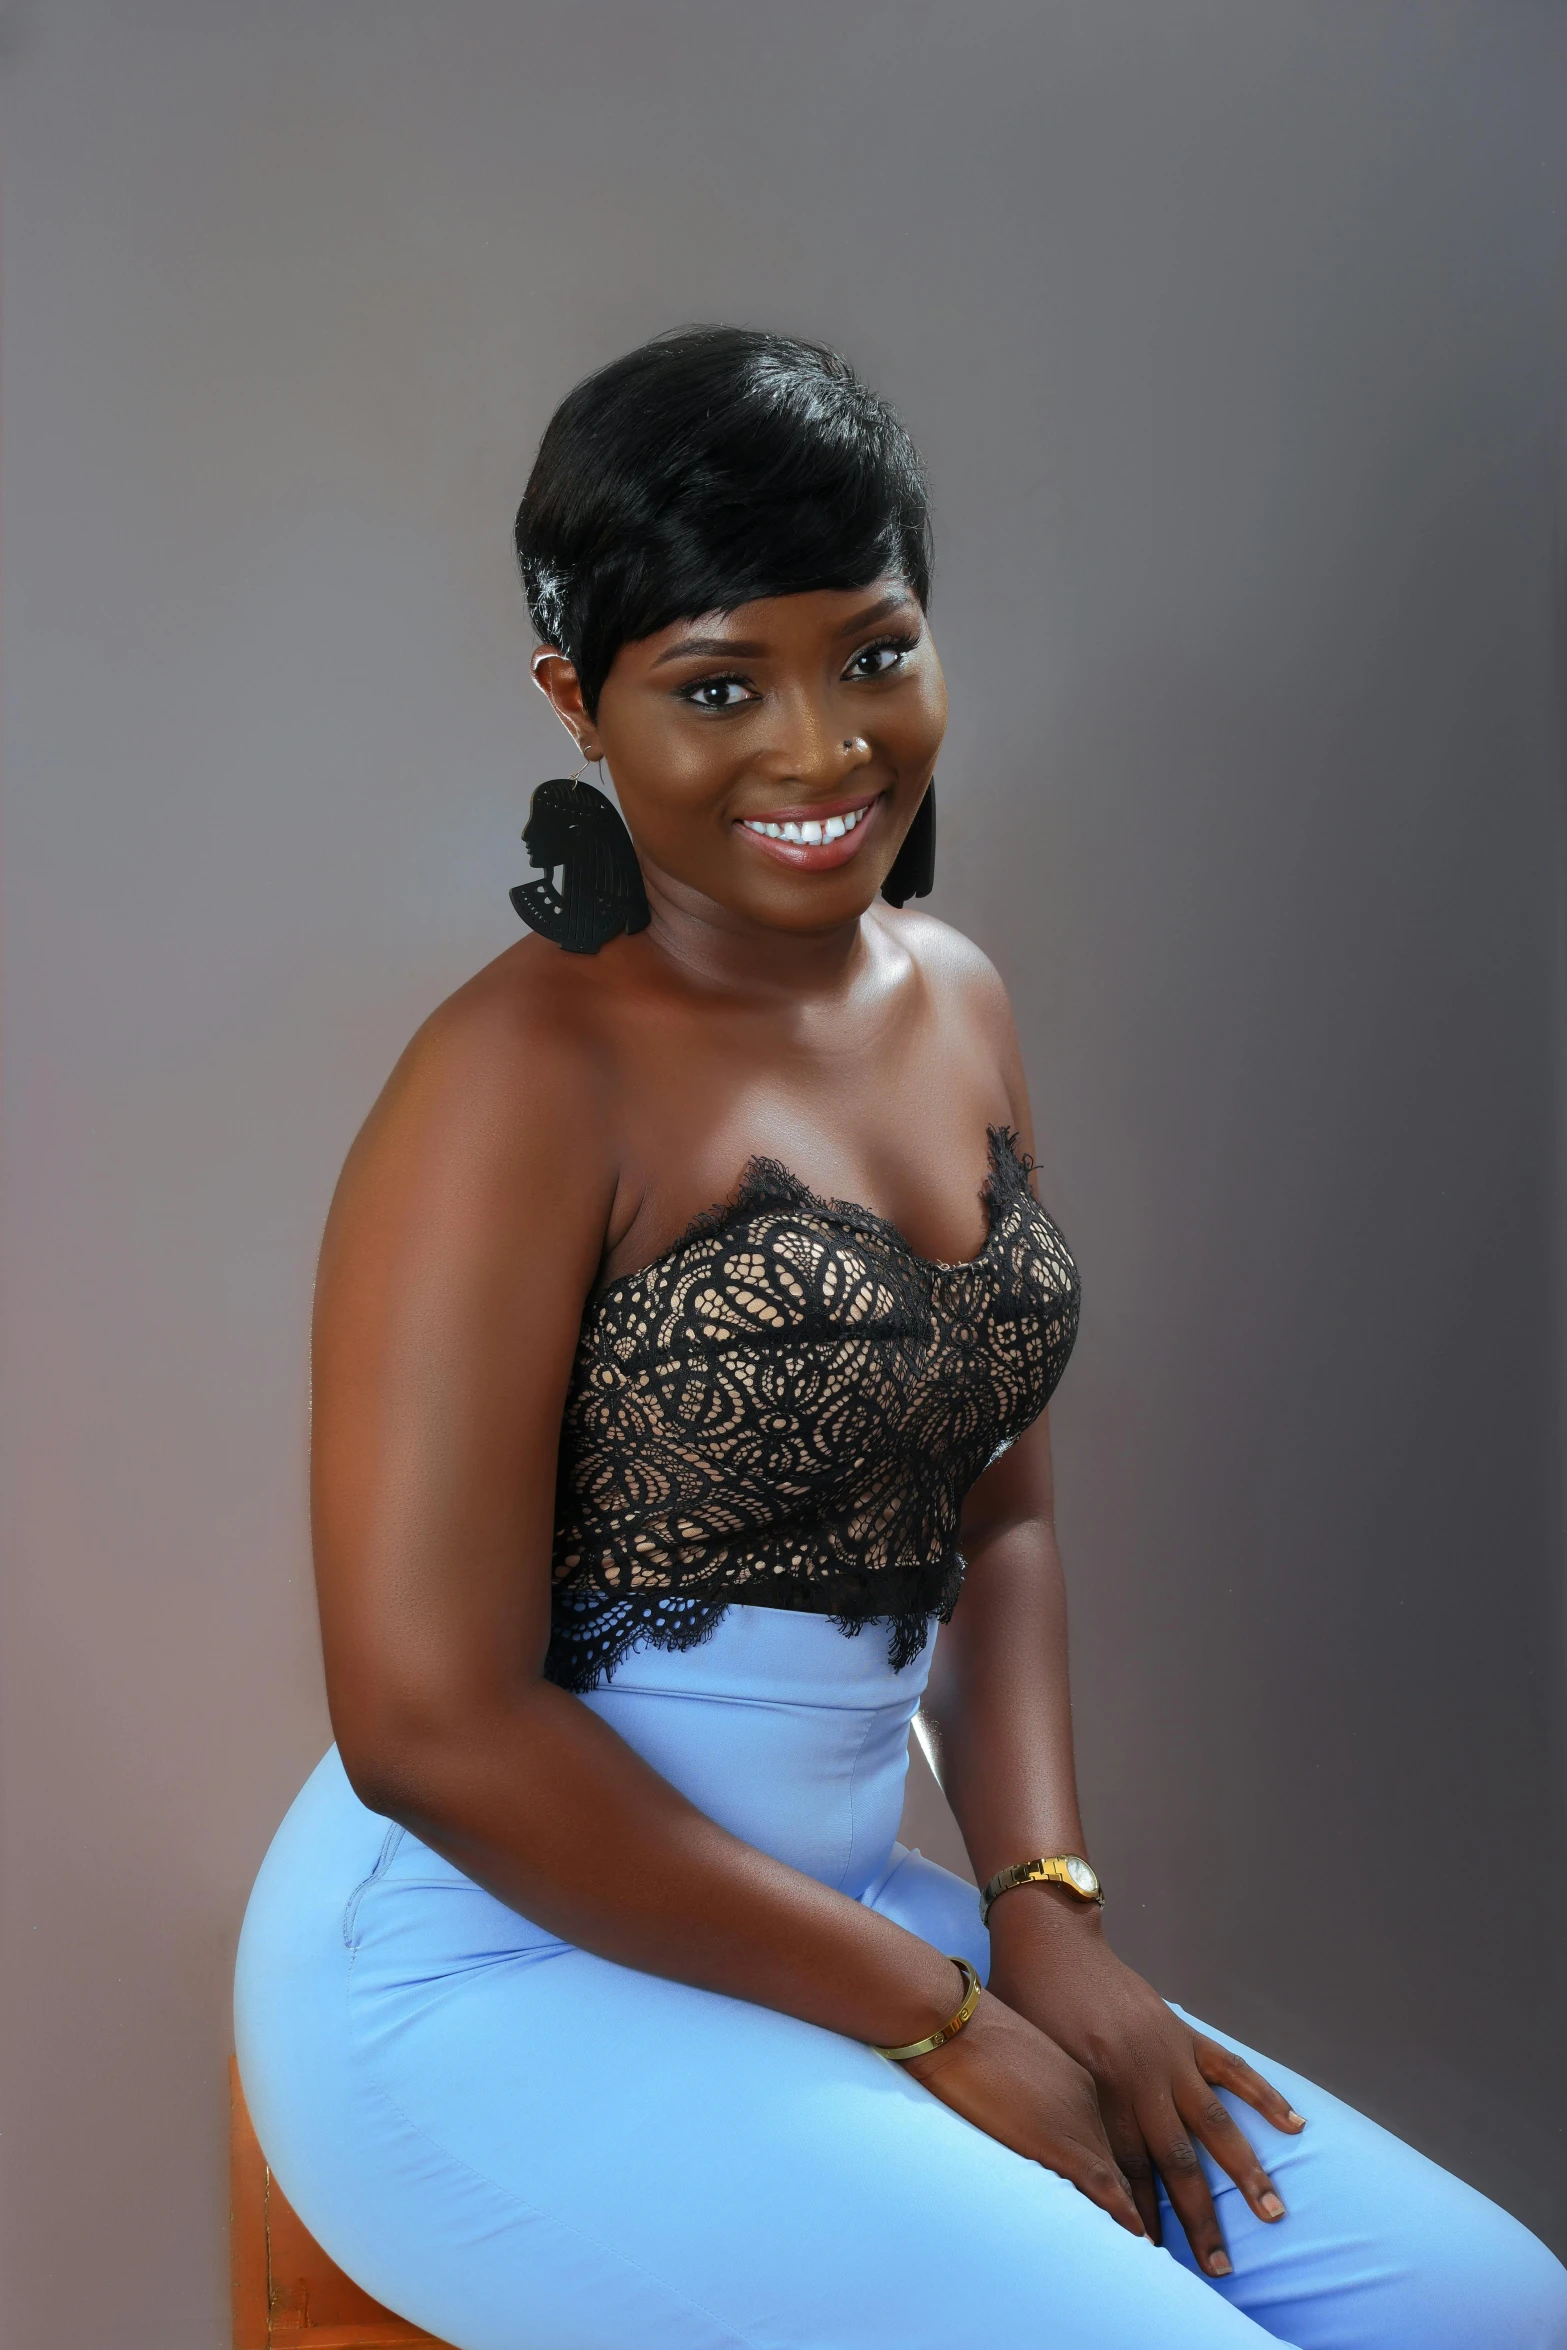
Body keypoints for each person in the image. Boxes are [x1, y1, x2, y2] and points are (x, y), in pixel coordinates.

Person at [234, 326, 1567, 2350]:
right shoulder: (511, 1082)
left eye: (871, 651)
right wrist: (939, 2013)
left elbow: (1002, 1517)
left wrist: (1041, 1904)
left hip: (839, 1931)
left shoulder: (958, 997)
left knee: (1496, 2303)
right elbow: (429, 1725)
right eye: (716, 685)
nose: (821, 747)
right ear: (575, 705)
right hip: (487, 1971)